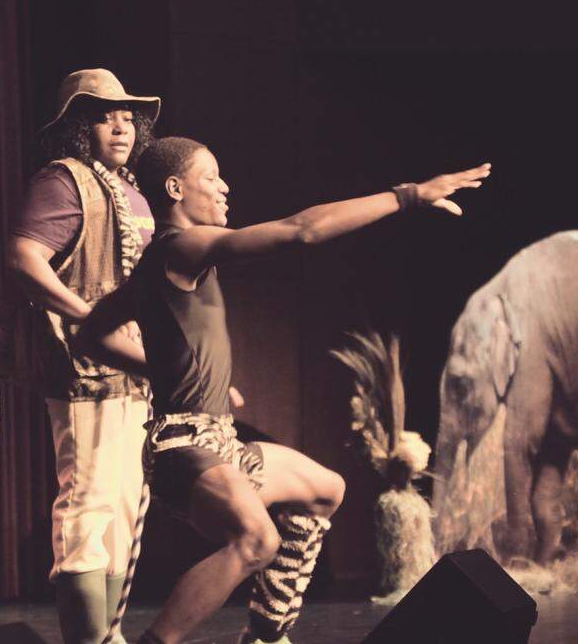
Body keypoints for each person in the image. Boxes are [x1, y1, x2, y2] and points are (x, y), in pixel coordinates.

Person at [76, 136, 490, 644]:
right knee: (257, 540)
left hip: (217, 440)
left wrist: (173, 371)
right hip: (185, 447)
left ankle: (267, 633)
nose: (224, 187)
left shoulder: (153, 268)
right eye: (211, 177)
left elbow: (92, 335)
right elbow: (302, 231)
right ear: (174, 188)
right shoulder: (181, 247)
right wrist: (407, 196)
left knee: (324, 491)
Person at [0, 69, 158, 643]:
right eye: (103, 114)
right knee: (88, 499)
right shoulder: (64, 181)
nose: (120, 125)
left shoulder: (132, 190)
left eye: (126, 116)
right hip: (85, 369)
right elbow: (24, 258)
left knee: (119, 509)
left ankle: (108, 634)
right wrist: (85, 315)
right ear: (77, 127)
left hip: (133, 372)